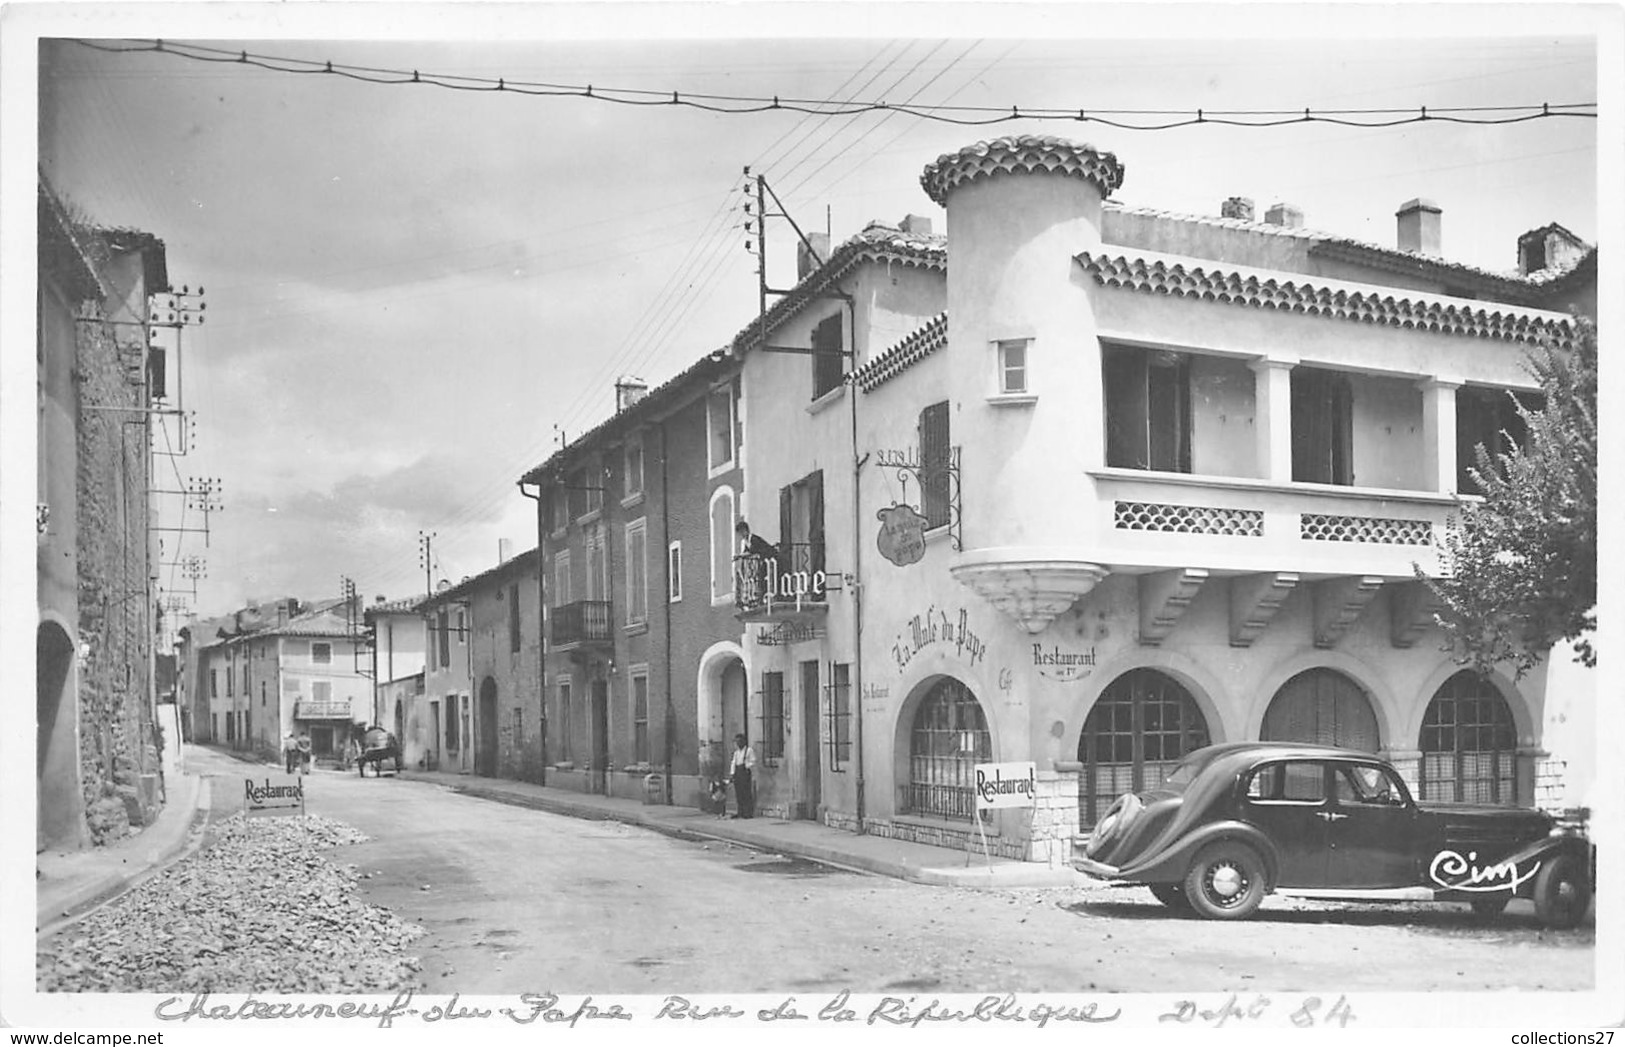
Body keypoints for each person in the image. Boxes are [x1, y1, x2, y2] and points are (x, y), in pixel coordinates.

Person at [735, 519, 778, 604]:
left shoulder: (754, 539)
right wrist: (738, 556)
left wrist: (740, 556)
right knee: (761, 579)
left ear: (745, 531)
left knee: (766, 578)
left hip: (770, 560)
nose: (740, 535)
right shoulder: (747, 541)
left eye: (741, 532)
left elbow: (753, 551)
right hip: (763, 561)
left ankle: (766, 597)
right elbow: (747, 551)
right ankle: (761, 597)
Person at [727, 733, 757, 819]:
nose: (738, 743)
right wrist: (732, 774)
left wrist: (747, 765)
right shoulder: (736, 753)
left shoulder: (749, 750)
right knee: (739, 793)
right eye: (737, 742)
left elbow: (753, 761)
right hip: (738, 773)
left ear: (744, 741)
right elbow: (733, 763)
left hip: (745, 773)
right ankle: (740, 812)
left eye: (740, 741)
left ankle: (748, 813)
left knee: (746, 793)